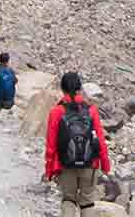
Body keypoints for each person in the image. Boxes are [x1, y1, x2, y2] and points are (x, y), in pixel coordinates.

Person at [42, 70, 110, 215]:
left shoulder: (56, 111)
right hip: (90, 164)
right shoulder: (91, 110)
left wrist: (49, 170)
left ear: (62, 88)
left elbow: (51, 145)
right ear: (80, 89)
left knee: (68, 200)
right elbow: (100, 140)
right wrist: (105, 164)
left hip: (65, 164)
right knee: (87, 202)